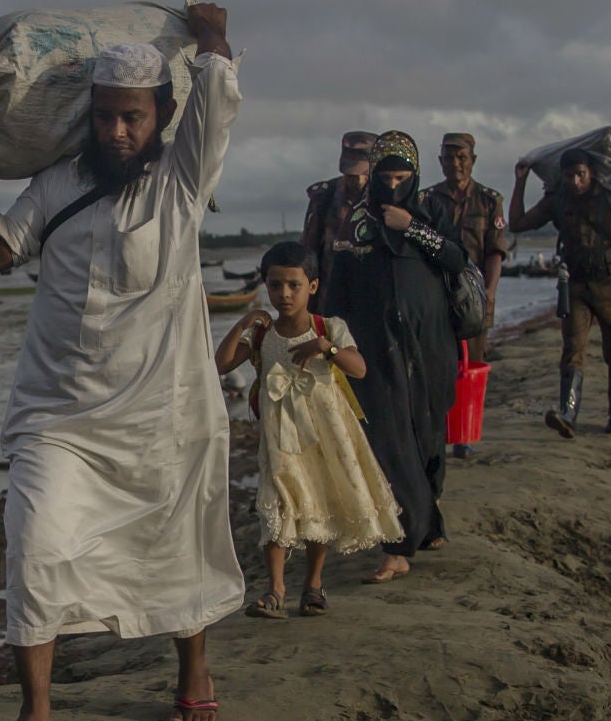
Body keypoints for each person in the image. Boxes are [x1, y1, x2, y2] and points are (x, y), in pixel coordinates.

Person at [0, 4, 243, 721]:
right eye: (105, 117)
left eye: (132, 118)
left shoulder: (181, 182)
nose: (116, 133)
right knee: (33, 544)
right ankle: (35, 711)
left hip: (159, 417)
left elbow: (220, 95)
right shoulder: (56, 183)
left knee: (178, 545)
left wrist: (209, 38)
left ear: (162, 115)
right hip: (57, 419)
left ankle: (193, 671)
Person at [214, 241, 401, 619]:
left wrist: (326, 348)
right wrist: (243, 322)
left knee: (320, 502)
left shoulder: (328, 327)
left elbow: (359, 368)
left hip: (326, 433)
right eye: (275, 285)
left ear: (312, 286)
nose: (284, 294)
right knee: (276, 504)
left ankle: (313, 585)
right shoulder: (263, 334)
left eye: (293, 285)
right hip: (279, 434)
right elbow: (220, 364)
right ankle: (275, 589)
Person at [316, 130, 468, 581]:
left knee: (428, 429)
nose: (395, 186)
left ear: (415, 176)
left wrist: (412, 228)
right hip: (377, 347)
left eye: (404, 178)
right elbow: (339, 282)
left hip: (431, 341)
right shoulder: (358, 221)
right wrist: (329, 338)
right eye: (387, 178)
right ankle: (398, 547)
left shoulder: (434, 210)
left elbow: (457, 260)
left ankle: (429, 518)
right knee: (389, 437)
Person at [509, 147, 611, 436]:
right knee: (572, 349)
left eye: (580, 175)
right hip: (576, 287)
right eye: (569, 176)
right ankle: (568, 415)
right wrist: (520, 182)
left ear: (591, 173)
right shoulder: (558, 200)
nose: (575, 181)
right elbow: (518, 224)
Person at [421, 132, 507, 459]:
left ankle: (464, 435)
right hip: (436, 294)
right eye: (448, 158)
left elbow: (495, 252)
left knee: (471, 360)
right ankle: (439, 428)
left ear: (473, 160)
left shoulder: (488, 200)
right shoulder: (426, 199)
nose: (455, 164)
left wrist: (489, 292)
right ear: (440, 161)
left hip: (473, 296)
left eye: (462, 158)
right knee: (435, 360)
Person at [300, 131, 377, 309]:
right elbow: (308, 253)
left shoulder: (386, 197)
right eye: (350, 173)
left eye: (363, 172)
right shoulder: (325, 197)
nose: (357, 179)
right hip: (329, 301)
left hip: (372, 302)